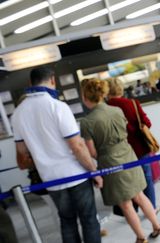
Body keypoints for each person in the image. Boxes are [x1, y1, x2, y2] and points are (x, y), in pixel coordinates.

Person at [11, 67, 102, 243]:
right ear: (53, 80)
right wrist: (93, 170)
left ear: (30, 83)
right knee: (89, 219)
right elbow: (77, 146)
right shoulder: (57, 106)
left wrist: (41, 153)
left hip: (50, 179)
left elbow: (22, 154)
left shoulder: (18, 114)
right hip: (76, 175)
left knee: (67, 222)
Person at [80, 78, 160, 243]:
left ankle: (141, 238)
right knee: (139, 195)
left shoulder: (87, 122)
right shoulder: (117, 110)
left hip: (110, 162)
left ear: (86, 97)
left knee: (126, 204)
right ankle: (157, 227)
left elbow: (91, 151)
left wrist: (104, 154)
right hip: (129, 155)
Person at [106, 78, 159, 211]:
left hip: (119, 151)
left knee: (127, 180)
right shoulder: (132, 103)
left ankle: (132, 210)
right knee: (146, 176)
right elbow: (148, 123)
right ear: (120, 89)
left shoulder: (106, 109)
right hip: (139, 147)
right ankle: (151, 208)